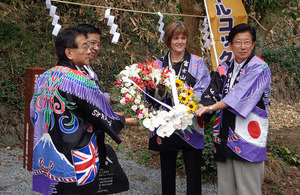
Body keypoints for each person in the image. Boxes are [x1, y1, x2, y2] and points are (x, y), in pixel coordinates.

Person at [30, 27, 137, 195]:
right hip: (77, 156)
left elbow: (33, 113)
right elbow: (99, 114)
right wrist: (127, 120)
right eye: (85, 47)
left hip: (48, 153)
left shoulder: (44, 77)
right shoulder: (80, 80)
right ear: (69, 53)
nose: (89, 51)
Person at [195, 23, 272, 195]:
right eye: (238, 42)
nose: (243, 47)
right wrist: (199, 106)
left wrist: (209, 108)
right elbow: (211, 93)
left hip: (248, 135)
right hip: (223, 133)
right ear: (230, 45)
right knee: (226, 188)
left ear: (253, 44)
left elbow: (238, 97)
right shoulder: (224, 66)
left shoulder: (259, 67)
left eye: (247, 42)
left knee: (248, 189)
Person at [147, 20, 211, 195]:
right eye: (176, 38)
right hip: (166, 122)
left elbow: (204, 88)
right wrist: (159, 89)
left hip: (190, 122)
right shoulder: (158, 64)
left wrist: (187, 103)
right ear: (169, 40)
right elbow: (150, 95)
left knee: (193, 170)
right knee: (167, 170)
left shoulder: (197, 62)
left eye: (183, 38)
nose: (180, 42)